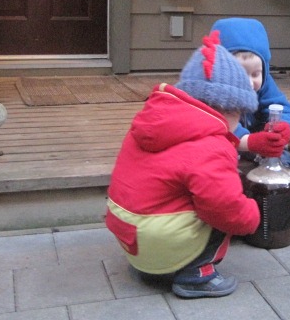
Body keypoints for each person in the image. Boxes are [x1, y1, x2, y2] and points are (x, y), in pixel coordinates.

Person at [105, 31, 261, 299]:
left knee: (193, 193)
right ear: (230, 109)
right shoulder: (212, 145)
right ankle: (196, 276)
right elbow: (224, 206)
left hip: (129, 236)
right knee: (224, 207)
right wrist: (252, 215)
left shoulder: (155, 122)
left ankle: (155, 267)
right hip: (157, 240)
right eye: (240, 114)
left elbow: (184, 161)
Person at [211, 17, 290, 225]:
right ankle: (230, 214)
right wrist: (250, 141)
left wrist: (285, 128)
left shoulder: (264, 82)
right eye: (239, 74)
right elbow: (221, 127)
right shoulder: (211, 92)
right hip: (219, 145)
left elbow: (281, 107)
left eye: (256, 74)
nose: (249, 82)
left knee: (282, 156)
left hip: (252, 140)